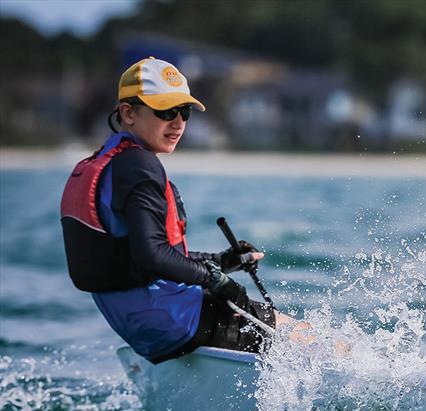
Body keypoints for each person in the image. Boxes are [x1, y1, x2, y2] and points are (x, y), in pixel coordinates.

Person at [60, 57, 298, 364]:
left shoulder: (105, 163)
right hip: (177, 322)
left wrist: (221, 262)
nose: (178, 123)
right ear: (128, 113)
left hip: (142, 331)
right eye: (166, 111)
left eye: (183, 111)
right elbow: (153, 255)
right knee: (301, 333)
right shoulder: (140, 166)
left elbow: (140, 259)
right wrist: (215, 280)